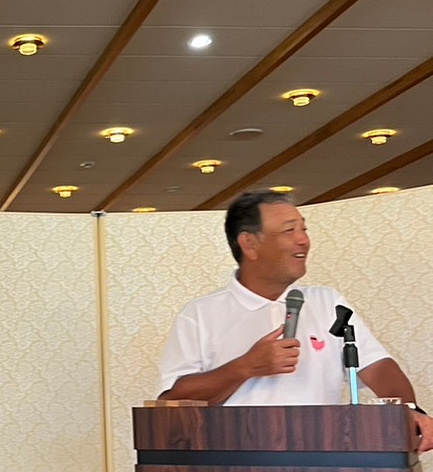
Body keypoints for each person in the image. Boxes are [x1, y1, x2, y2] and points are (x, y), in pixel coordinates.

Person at [158, 190, 433, 455]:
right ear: (249, 244)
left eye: (304, 229)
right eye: (289, 231)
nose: (303, 240)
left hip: (324, 466)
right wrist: (246, 367)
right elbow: (173, 401)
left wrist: (408, 409)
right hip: (233, 468)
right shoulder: (200, 314)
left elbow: (377, 366)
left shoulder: (328, 302)